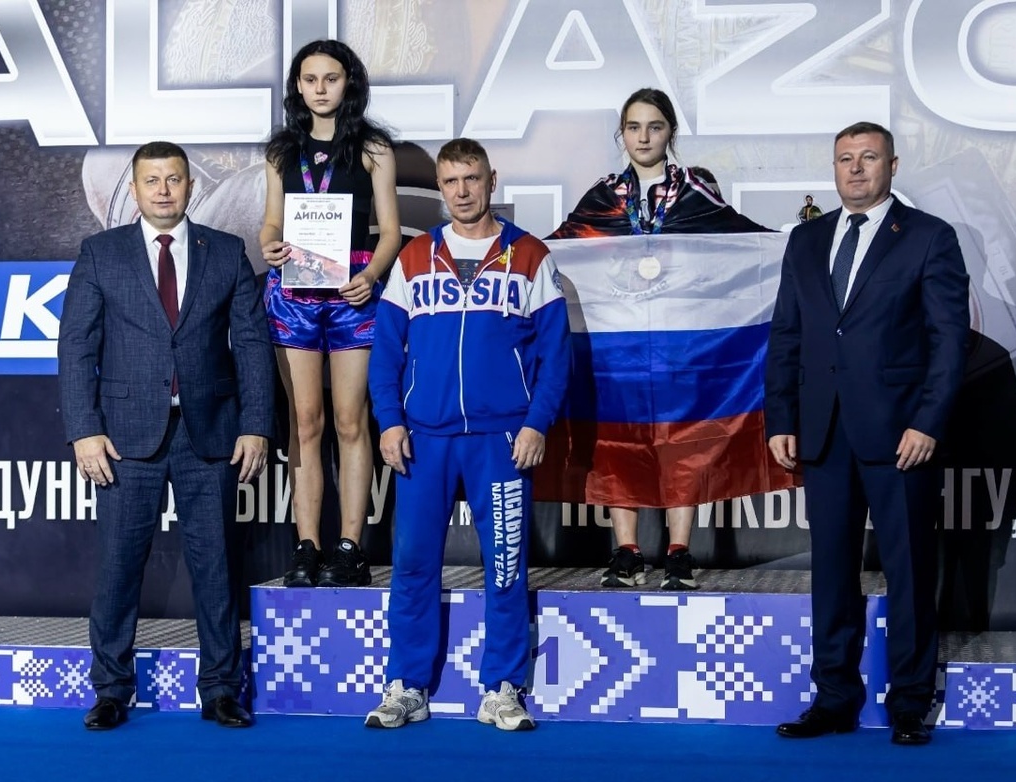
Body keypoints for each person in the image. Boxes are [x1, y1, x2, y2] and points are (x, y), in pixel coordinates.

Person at [59, 141, 275, 730]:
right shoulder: (101, 253)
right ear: (134, 188)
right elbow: (76, 347)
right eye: (151, 180)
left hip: (210, 433)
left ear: (189, 186)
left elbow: (252, 345)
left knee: (216, 568)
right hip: (125, 438)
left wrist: (256, 424)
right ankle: (111, 689)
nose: (162, 190)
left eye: (173, 179)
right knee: (118, 567)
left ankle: (222, 689)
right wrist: (84, 431)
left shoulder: (226, 251)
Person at [765, 122, 969, 746]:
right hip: (824, 433)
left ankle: (909, 703)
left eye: (868, 157)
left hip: (900, 434)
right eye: (844, 158)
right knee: (831, 573)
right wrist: (781, 418)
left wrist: (927, 421)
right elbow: (787, 333)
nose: (855, 169)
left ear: (893, 165)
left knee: (908, 571)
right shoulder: (806, 238)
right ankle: (834, 699)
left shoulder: (929, 236)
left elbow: (948, 340)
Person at [363, 138, 570, 731]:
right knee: (412, 564)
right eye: (451, 181)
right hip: (423, 439)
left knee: (505, 567)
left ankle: (503, 687)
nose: (462, 191)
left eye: (472, 178)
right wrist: (390, 420)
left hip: (501, 440)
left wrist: (536, 423)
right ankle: (407, 686)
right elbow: (386, 352)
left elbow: (556, 355)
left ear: (491, 180)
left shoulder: (529, 256)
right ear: (440, 186)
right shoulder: (413, 257)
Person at [547, 88, 774, 591]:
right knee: (616, 441)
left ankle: (678, 552)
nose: (644, 137)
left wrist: (795, 246)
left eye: (654, 126)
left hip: (681, 344)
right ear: (621, 134)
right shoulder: (604, 195)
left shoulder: (693, 190)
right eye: (633, 127)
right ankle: (626, 552)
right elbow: (557, 247)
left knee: (682, 441)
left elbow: (743, 238)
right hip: (616, 344)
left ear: (671, 131)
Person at [260, 40, 402, 588]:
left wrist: (372, 275)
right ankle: (306, 546)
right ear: (297, 86)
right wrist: (269, 242)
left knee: (349, 420)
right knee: (305, 421)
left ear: (350, 83)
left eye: (331, 78)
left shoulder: (373, 147)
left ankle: (348, 546)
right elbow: (272, 223)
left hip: (352, 291)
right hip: (295, 289)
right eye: (310, 79)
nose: (320, 88)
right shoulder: (281, 152)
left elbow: (390, 232)